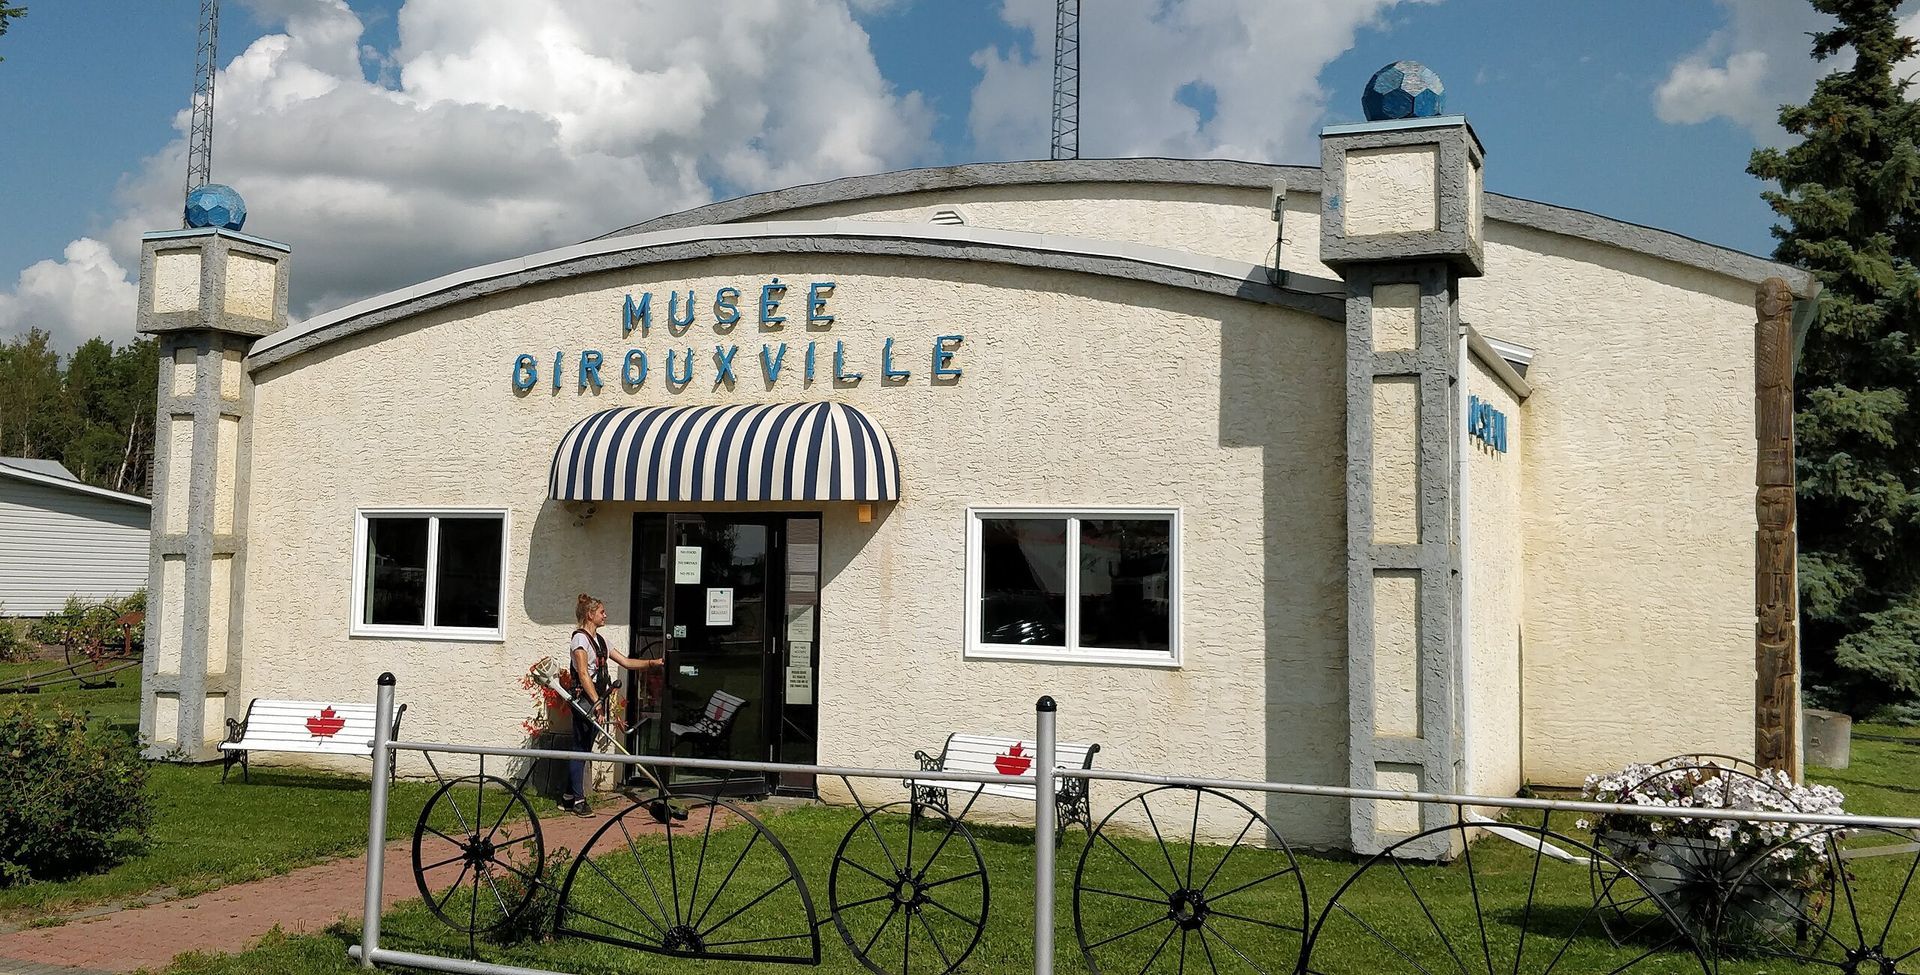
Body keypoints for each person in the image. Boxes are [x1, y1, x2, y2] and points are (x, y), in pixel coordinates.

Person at [563, 593, 664, 816]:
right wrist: (596, 703)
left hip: (597, 700)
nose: (605, 615)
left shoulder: (601, 641)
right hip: (585, 700)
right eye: (602, 612)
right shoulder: (580, 640)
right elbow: (583, 674)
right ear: (590, 615)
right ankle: (578, 801)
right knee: (580, 749)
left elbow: (625, 662)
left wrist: (652, 663)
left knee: (585, 748)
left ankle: (568, 796)